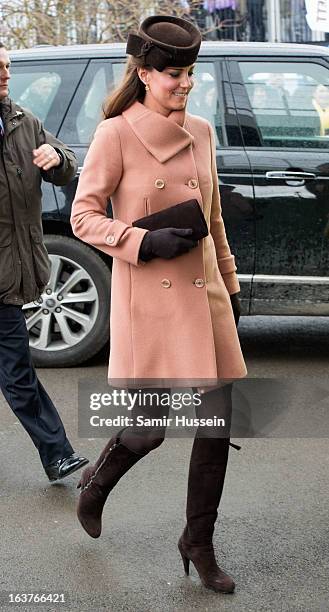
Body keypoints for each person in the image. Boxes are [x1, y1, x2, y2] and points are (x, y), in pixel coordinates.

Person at [71, 15, 247, 594]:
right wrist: (142, 241)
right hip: (151, 300)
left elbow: (214, 217)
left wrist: (231, 286)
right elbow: (83, 217)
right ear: (144, 73)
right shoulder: (115, 133)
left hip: (205, 298)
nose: (186, 84)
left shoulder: (201, 130)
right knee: (148, 429)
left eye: (191, 73)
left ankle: (197, 542)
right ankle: (96, 485)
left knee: (216, 426)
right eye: (174, 74)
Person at [0, 42, 88, 481]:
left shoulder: (22, 121)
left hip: (6, 277)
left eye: (7, 66)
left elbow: (68, 162)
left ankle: (57, 455)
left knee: (17, 374)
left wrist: (57, 161)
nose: (4, 74)